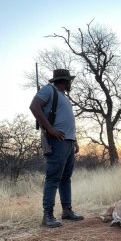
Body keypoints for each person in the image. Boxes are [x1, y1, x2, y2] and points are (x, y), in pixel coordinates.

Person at [29, 68, 84, 228]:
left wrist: (74, 140)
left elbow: (67, 121)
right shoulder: (49, 90)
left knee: (66, 178)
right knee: (53, 178)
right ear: (64, 81)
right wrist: (50, 129)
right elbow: (34, 106)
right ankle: (47, 216)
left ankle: (67, 211)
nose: (70, 83)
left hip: (67, 141)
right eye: (69, 81)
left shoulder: (64, 97)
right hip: (56, 141)